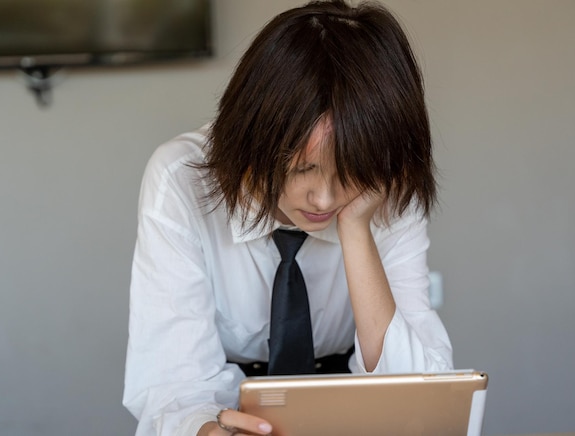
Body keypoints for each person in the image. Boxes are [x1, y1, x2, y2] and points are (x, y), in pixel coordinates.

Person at [123, 1, 453, 435]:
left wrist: (356, 229)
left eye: (350, 173)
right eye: (303, 169)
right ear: (253, 137)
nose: (324, 198)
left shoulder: (386, 184)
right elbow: (171, 386)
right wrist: (206, 430)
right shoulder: (180, 180)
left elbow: (418, 395)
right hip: (227, 412)